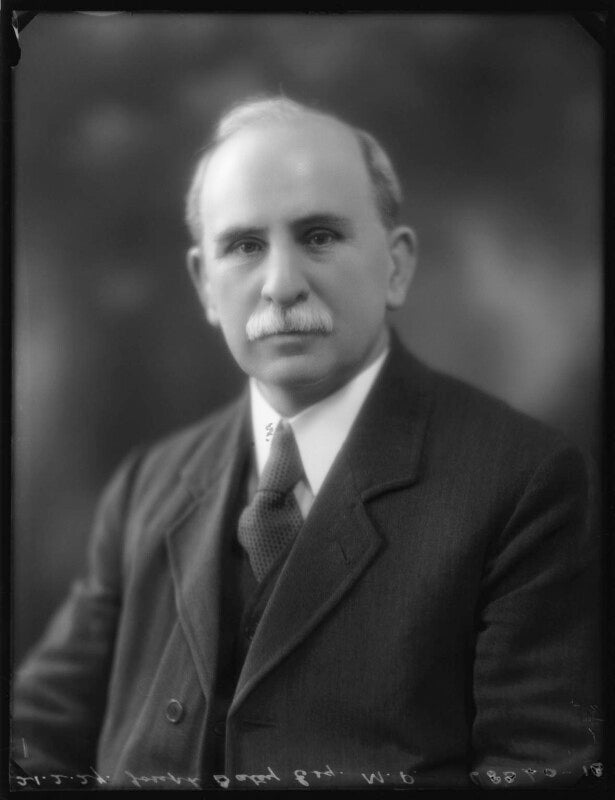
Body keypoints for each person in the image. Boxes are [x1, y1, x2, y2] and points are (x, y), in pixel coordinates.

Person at [12, 96, 601, 790]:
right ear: (205, 285)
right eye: (244, 246)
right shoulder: (148, 484)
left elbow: (539, 772)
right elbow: (35, 736)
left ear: (396, 266)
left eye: (319, 236)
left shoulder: (524, 483)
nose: (281, 285)